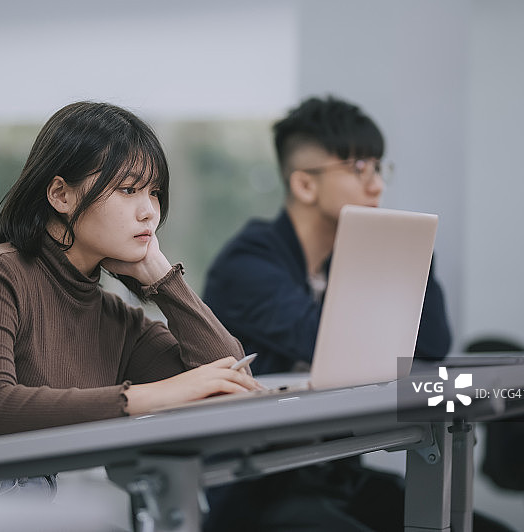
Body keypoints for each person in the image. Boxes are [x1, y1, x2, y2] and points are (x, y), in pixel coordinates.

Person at [0, 101, 261, 496]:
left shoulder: (113, 317)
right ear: (60, 195)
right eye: (128, 189)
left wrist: (162, 278)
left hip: (22, 499)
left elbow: (229, 379)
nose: (149, 212)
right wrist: (152, 396)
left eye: (154, 193)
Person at [201, 96, 504, 532]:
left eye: (379, 168)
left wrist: (414, 250)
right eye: (359, 168)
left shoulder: (343, 260)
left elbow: (432, 344)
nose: (377, 185)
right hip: (257, 484)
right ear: (305, 185)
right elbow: (332, 344)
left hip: (332, 471)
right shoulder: (248, 263)